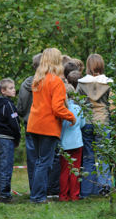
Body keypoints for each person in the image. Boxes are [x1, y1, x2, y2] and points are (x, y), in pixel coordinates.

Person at [27, 48, 75, 204]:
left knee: (38, 162)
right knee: (45, 162)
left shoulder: (38, 79)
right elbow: (57, 108)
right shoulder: (56, 81)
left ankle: (35, 194)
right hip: (48, 126)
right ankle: (38, 197)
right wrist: (71, 116)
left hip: (34, 124)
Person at [77, 54, 113, 197]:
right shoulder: (109, 83)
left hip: (87, 121)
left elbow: (78, 102)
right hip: (103, 120)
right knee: (103, 156)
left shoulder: (81, 83)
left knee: (88, 156)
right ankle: (104, 187)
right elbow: (112, 105)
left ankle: (86, 190)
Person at [0, 78, 21, 203]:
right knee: (5, 166)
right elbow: (15, 124)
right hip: (7, 138)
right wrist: (17, 137)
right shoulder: (9, 105)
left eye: (14, 88)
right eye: (11, 88)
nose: (14, 90)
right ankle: (4, 194)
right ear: (3, 90)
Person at [17, 53, 42, 192]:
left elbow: (20, 107)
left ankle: (34, 188)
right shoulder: (46, 83)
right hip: (44, 124)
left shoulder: (25, 84)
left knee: (32, 159)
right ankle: (43, 189)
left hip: (29, 123)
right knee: (44, 159)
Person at [59, 84, 85, 201]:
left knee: (64, 170)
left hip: (63, 143)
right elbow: (83, 124)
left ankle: (63, 195)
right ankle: (74, 195)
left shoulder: (60, 109)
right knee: (75, 169)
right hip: (77, 142)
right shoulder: (77, 108)